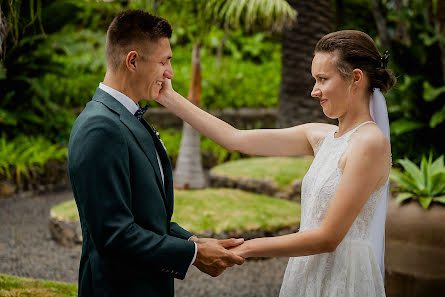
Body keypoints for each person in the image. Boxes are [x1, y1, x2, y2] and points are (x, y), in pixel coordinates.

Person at [156, 30, 395, 297]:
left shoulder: (370, 143)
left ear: (356, 79)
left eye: (322, 79)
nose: (314, 91)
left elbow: (328, 237)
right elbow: (235, 139)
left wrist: (245, 248)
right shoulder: (321, 136)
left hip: (344, 279)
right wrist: (168, 97)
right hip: (306, 270)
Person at [67, 9, 244, 297]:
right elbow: (114, 234)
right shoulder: (100, 127)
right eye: (164, 62)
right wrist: (193, 254)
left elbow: (146, 219)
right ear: (133, 61)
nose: (170, 73)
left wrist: (193, 241)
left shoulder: (125, 117)